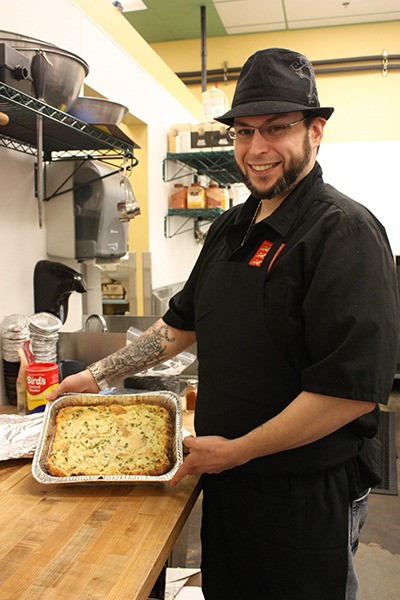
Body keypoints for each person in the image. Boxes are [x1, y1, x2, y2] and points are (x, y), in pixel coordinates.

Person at [48, 47, 399, 600]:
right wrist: (97, 377)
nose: (256, 149)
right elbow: (180, 325)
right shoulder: (230, 227)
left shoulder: (344, 233)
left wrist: (238, 450)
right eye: (242, 131)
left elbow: (349, 393)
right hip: (231, 476)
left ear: (316, 130)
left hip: (304, 492)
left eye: (277, 128)